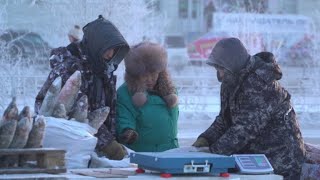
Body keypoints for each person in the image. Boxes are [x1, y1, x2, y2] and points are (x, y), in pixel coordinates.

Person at [192, 37, 305, 180]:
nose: (219, 74)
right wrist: (205, 139)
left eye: (221, 68)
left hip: (280, 161)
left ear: (232, 64)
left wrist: (212, 153)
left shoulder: (261, 82)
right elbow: (224, 119)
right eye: (217, 68)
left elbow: (246, 128)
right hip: (256, 159)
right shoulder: (230, 81)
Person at [35, 15, 130, 160]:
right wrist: (108, 143)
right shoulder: (71, 68)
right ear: (96, 44)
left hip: (90, 146)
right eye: (108, 48)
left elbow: (106, 110)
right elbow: (78, 110)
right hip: (63, 148)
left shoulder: (103, 68)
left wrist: (115, 137)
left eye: (114, 50)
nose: (111, 54)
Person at [116, 42, 179, 152]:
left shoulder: (170, 92)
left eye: (154, 73)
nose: (150, 79)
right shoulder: (125, 93)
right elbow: (123, 116)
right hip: (141, 154)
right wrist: (127, 132)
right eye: (144, 75)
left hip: (170, 151)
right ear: (135, 75)